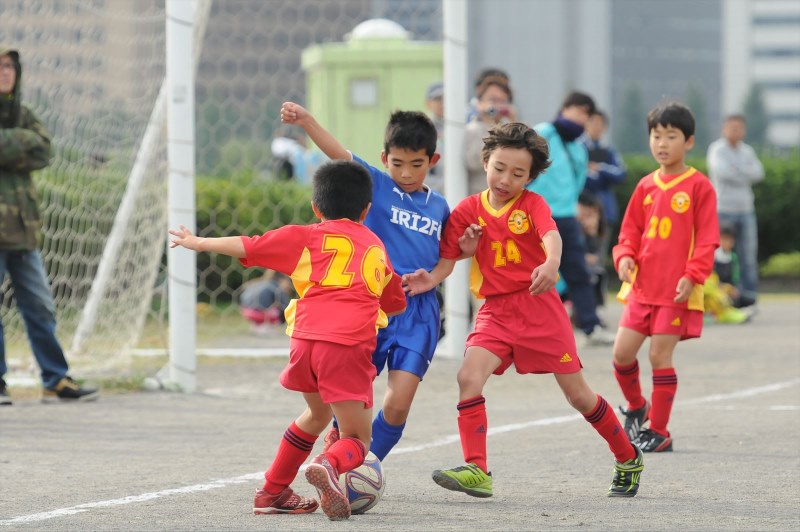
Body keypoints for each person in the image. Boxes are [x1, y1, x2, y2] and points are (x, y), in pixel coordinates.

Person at [404, 122, 644, 498]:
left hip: (540, 310)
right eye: (499, 168)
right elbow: (449, 260)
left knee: (578, 395)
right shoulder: (467, 210)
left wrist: (551, 264)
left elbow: (551, 234)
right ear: (485, 162)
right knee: (469, 376)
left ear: (530, 177)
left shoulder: (533, 204)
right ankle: (477, 469)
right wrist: (429, 280)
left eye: (518, 173)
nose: (505, 179)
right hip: (496, 311)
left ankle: (627, 455)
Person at [168, 160, 407, 520]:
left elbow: (250, 245)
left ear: (316, 207)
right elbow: (394, 301)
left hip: (304, 341)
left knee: (316, 414)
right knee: (357, 438)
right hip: (345, 343)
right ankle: (328, 464)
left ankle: (271, 491)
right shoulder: (375, 246)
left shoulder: (307, 236)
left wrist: (198, 242)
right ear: (366, 210)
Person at [280, 102, 451, 464]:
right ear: (384, 158)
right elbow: (337, 153)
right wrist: (308, 120)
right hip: (371, 307)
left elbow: (449, 257)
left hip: (418, 312)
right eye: (397, 163)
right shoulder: (376, 184)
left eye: (416, 164)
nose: (406, 172)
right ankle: (343, 457)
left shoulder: (441, 208)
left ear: (432, 161)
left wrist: (434, 277)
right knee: (350, 397)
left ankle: (360, 469)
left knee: (398, 402)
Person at [612, 101, 719, 453]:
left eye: (670, 136)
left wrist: (693, 275)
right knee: (621, 355)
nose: (661, 143)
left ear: (688, 142)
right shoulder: (645, 186)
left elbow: (707, 239)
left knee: (660, 357)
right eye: (656, 136)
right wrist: (624, 256)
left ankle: (659, 431)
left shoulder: (699, 186)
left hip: (675, 292)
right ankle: (637, 405)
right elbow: (629, 232)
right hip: (641, 289)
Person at [0, 46, 98, 405]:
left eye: (10, 66)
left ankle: (55, 379)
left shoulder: (23, 113)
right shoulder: (22, 122)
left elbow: (44, 150)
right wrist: (19, 144)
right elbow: (30, 146)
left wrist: (14, 143)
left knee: (40, 306)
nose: (6, 71)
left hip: (23, 232)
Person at [527, 91, 615, 346]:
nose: (580, 117)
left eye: (586, 114)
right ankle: (528, 329)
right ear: (564, 108)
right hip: (535, 214)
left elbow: (578, 183)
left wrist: (569, 205)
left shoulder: (579, 148)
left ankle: (591, 326)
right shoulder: (542, 133)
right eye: (577, 110)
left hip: (565, 217)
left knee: (577, 271)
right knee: (528, 272)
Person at [706, 114, 764, 309]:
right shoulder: (717, 149)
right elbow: (723, 172)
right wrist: (744, 172)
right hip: (723, 209)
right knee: (719, 257)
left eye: (739, 127)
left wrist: (737, 170)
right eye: (731, 127)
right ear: (724, 129)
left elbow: (759, 172)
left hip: (746, 209)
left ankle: (748, 299)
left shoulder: (747, 151)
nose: (735, 131)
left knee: (748, 257)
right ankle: (722, 298)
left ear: (744, 130)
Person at [581, 109, 626, 259]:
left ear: (605, 127)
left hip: (605, 210)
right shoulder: (578, 149)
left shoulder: (608, 151)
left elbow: (621, 174)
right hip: (581, 209)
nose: (596, 126)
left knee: (598, 255)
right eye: (592, 122)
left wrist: (600, 168)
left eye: (600, 123)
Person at [464, 76, 516, 196]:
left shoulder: (510, 127)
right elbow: (474, 162)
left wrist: (513, 121)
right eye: (492, 100)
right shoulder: (472, 129)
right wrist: (487, 122)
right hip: (479, 196)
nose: (497, 106)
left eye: (502, 101)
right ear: (480, 102)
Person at [703, 224, 752, 324]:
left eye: (730, 240)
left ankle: (727, 309)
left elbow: (735, 278)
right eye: (724, 239)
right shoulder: (712, 256)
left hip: (728, 290)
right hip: (715, 289)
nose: (727, 242)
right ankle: (717, 313)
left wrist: (733, 289)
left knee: (747, 299)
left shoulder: (733, 257)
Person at [424, 81, 445, 193]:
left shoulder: (463, 127)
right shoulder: (422, 128)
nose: (442, 103)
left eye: (445, 98)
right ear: (428, 103)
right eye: (438, 99)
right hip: (432, 192)